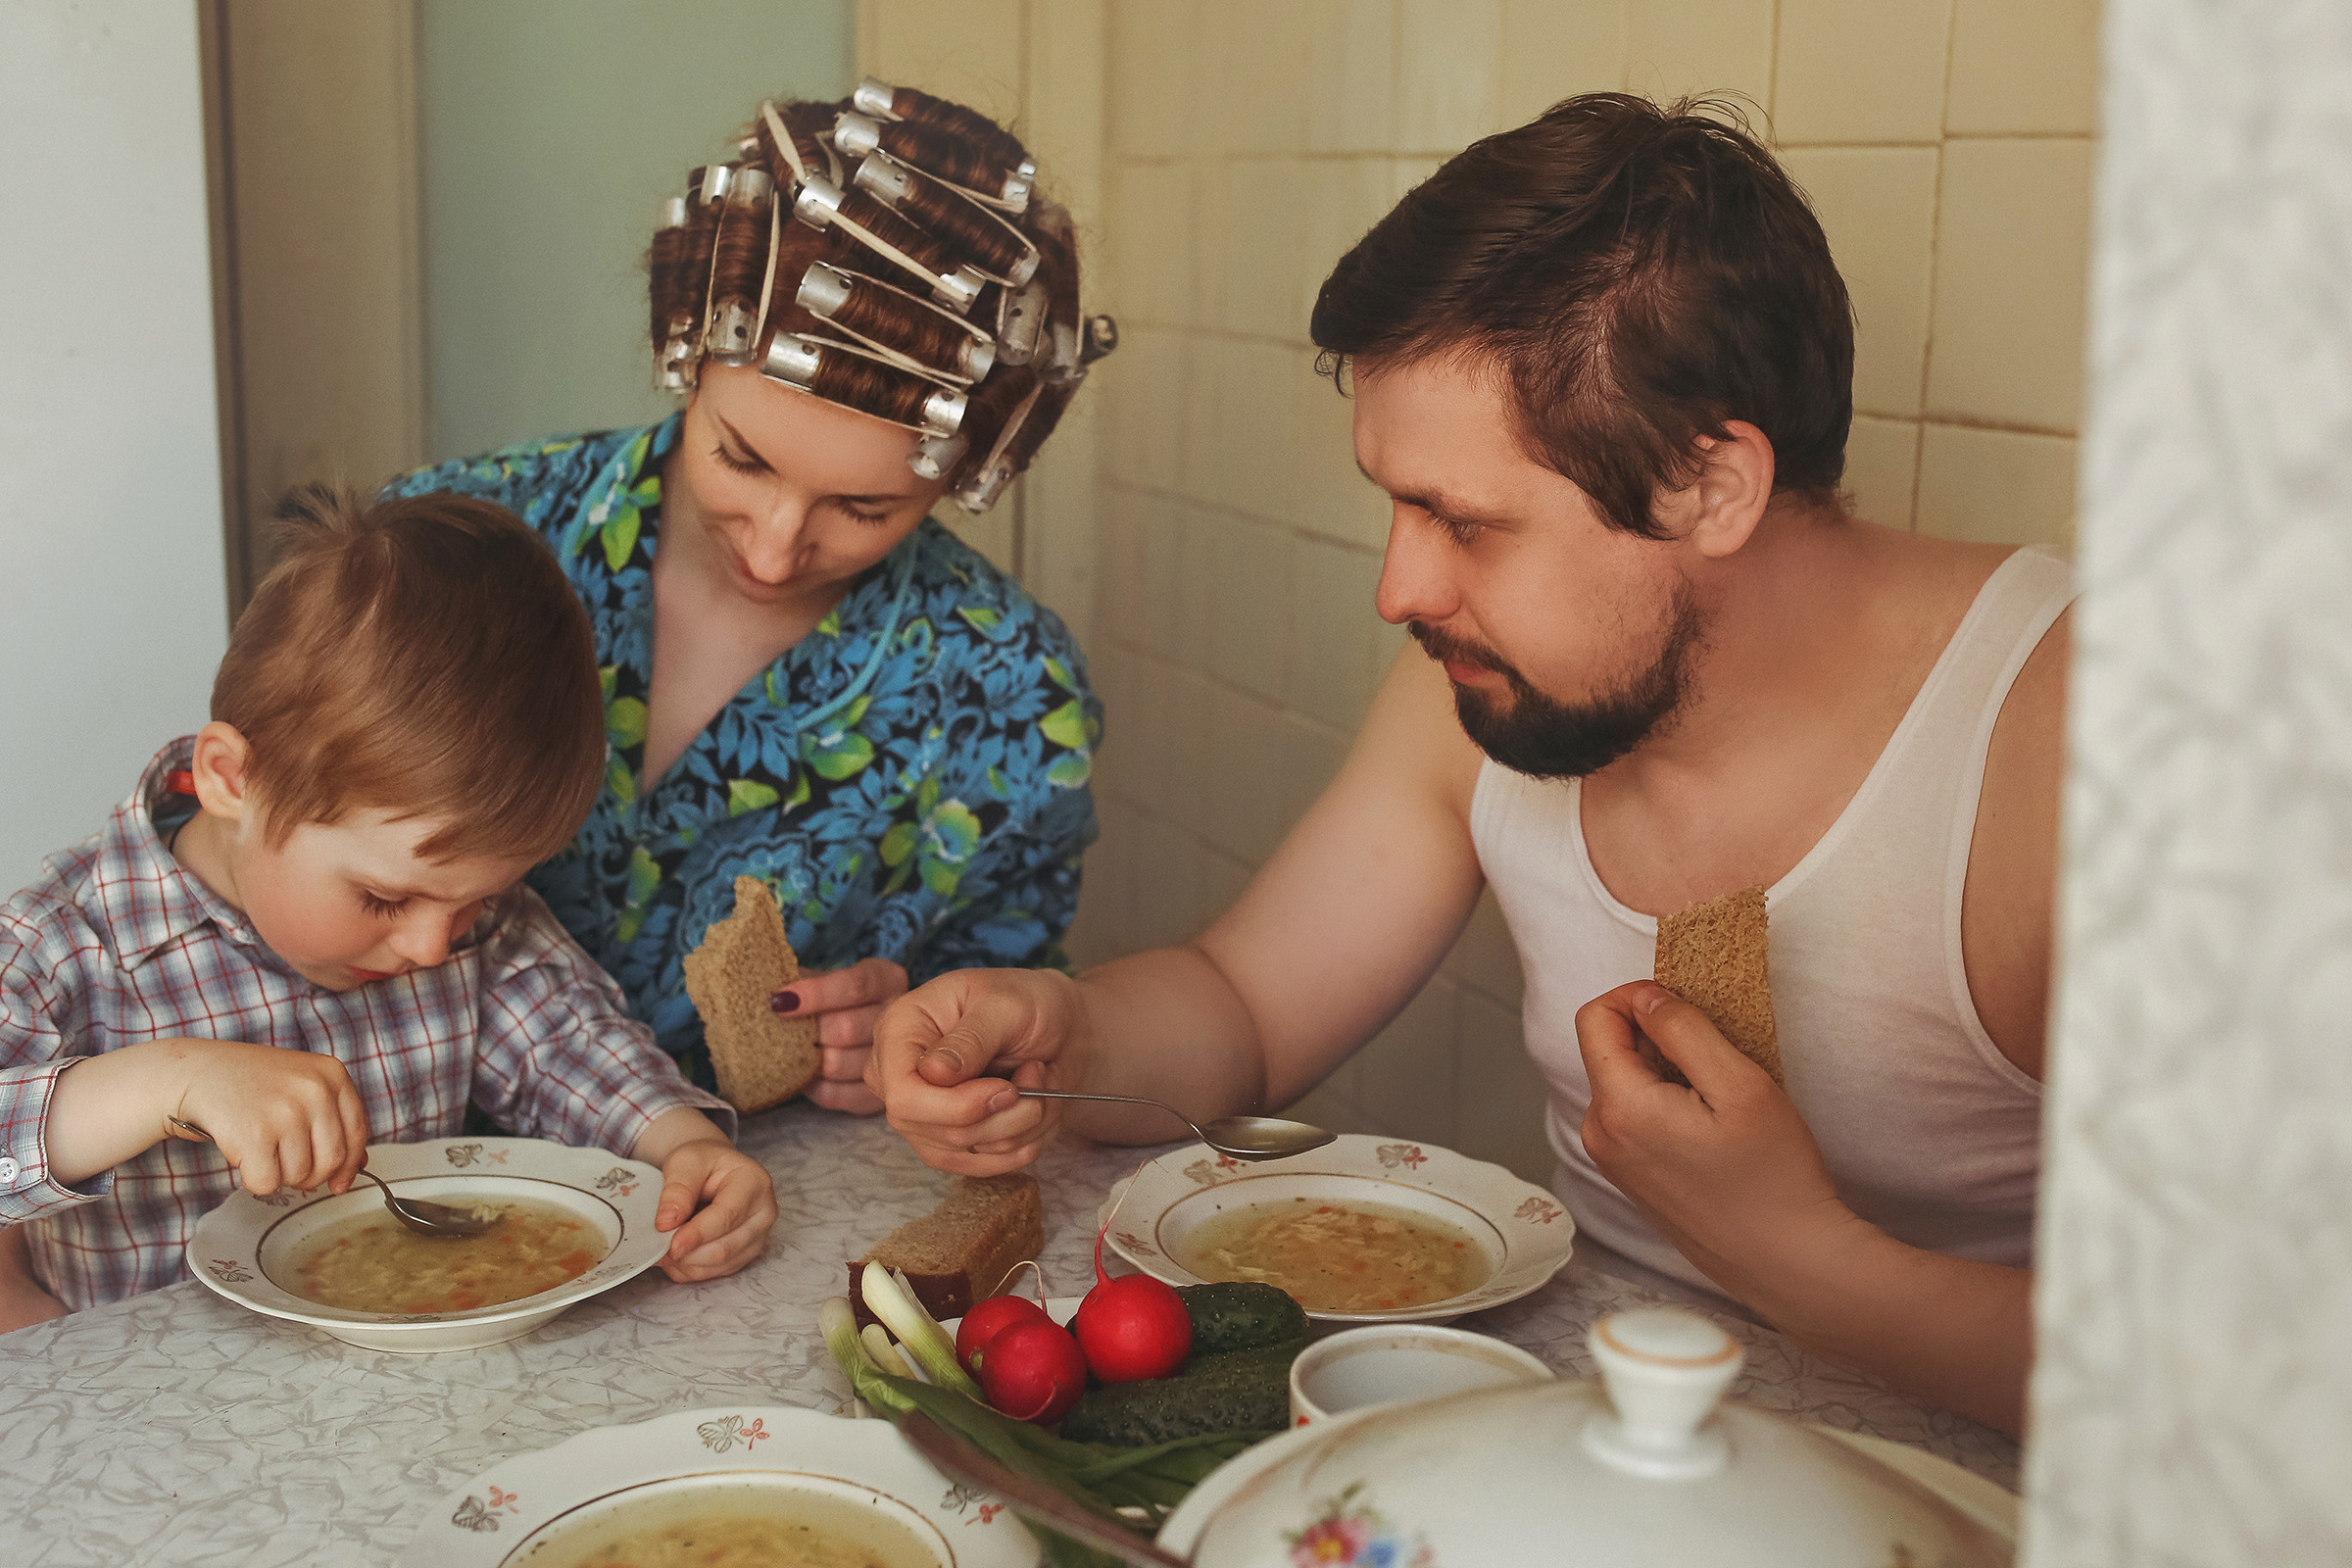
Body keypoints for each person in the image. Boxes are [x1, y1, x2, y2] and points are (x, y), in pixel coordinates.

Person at [865, 95, 2068, 1438]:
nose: (1401, 590)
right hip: (1564, 1448)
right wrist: (1065, 1033)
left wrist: (1799, 1255)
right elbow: (1248, 1004)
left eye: (1464, 522)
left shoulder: (2070, 749)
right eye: (1397, 504)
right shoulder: (1492, 675)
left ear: (1712, 487)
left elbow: (2229, 1379)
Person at [385, 79, 1111, 1113]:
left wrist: (920, 1033)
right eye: (740, 458)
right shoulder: (443, 547)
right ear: (684, 351)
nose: (774, 553)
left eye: (863, 508)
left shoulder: (1011, 693)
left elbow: (1020, 1022)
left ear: (968, 475)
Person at [0, 488, 776, 1332]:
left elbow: (566, 1044)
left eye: (476, 901)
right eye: (383, 896)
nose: (433, 945)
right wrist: (167, 1080)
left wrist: (684, 1146)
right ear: (232, 780)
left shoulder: (463, 924)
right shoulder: (61, 944)